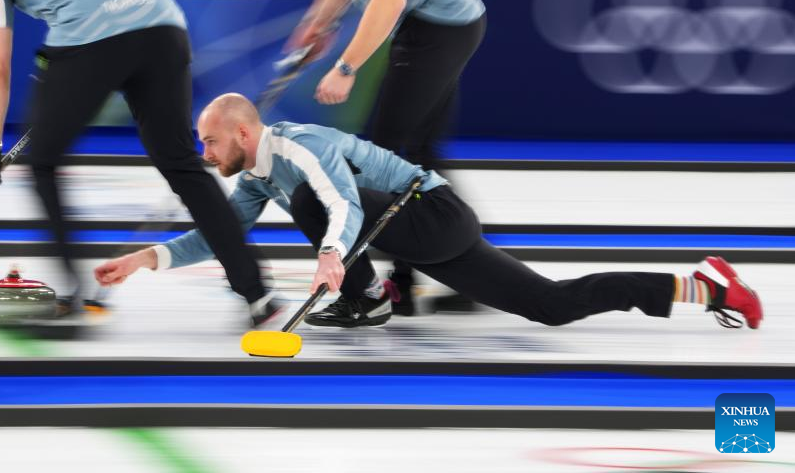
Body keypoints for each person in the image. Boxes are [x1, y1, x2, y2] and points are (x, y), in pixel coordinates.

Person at [94, 94, 763, 332]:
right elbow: (221, 232)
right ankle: (703, 286)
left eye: (209, 142)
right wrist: (147, 258)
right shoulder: (257, 177)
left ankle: (366, 299)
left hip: (430, 213)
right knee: (552, 305)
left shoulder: (299, 146)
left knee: (314, 201)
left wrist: (331, 260)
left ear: (242, 134)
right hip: (419, 234)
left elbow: (340, 202)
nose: (204, 154)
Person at [0, 0, 278, 324]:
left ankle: (74, 292)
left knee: (43, 164)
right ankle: (257, 295)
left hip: (85, 46)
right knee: (181, 164)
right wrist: (138, 12)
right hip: (162, 31)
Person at [231, 0, 487, 314]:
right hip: (433, 23)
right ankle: (438, 278)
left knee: (380, 159)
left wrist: (346, 67)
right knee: (418, 154)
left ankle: (373, 292)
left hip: (439, 25)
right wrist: (319, 23)